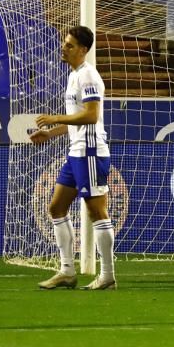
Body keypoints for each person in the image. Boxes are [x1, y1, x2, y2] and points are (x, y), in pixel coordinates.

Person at [34, 26, 117, 291]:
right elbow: (76, 121)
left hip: (90, 153)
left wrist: (55, 117)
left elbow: (91, 116)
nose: (64, 47)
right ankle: (67, 272)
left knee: (97, 213)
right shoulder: (73, 76)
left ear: (83, 49)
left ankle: (107, 276)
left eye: (69, 45)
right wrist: (51, 133)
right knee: (56, 208)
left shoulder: (89, 76)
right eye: (64, 43)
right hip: (76, 152)